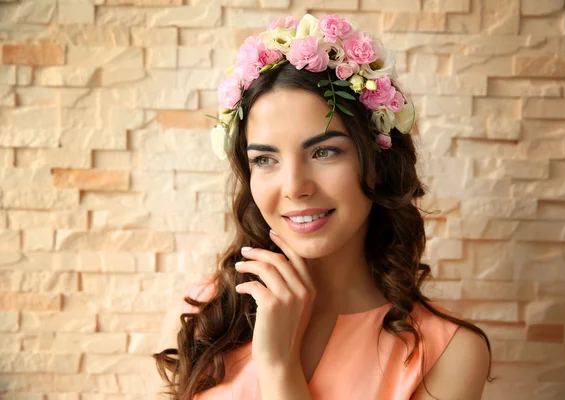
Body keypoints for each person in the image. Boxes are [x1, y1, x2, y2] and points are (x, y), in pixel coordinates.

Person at [152, 13, 492, 400]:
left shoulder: (448, 354)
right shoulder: (203, 316)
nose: (295, 187)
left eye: (324, 151)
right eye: (265, 159)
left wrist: (278, 365)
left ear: (377, 162)